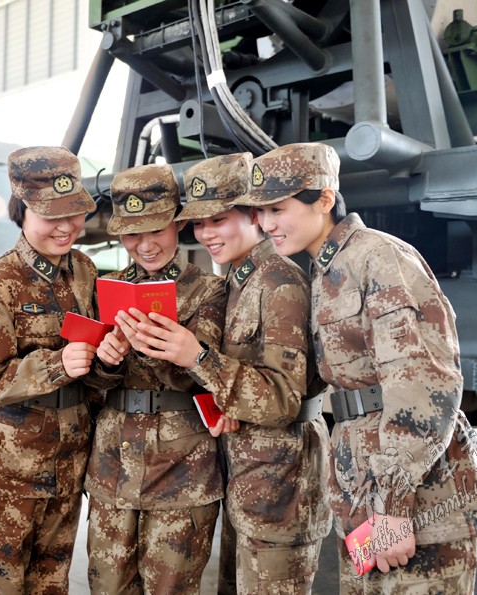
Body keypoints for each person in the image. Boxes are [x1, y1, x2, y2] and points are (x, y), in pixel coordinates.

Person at [248, 142, 477, 593]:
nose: (266, 224)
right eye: (261, 212)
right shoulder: (326, 269)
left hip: (416, 501)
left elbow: (421, 383)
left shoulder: (378, 258)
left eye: (278, 209)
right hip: (362, 491)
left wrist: (392, 507)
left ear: (324, 199)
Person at [126, 154, 332, 593]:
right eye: (199, 224)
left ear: (253, 215)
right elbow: (247, 380)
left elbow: (282, 400)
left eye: (218, 220)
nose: (206, 234)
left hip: (283, 490)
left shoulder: (279, 282)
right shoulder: (241, 280)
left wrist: (197, 357)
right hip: (249, 482)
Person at [0, 146, 100, 593]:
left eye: (74, 213)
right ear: (21, 211)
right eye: (51, 215)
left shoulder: (84, 270)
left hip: (66, 471)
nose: (66, 226)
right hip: (7, 478)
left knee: (52, 585)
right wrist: (59, 364)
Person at [85, 162, 227, 593]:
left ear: (178, 223)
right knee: (108, 587)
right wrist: (106, 362)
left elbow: (212, 380)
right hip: (112, 467)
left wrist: (162, 350)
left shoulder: (209, 290)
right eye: (131, 234)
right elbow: (91, 386)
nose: (145, 246)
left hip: (182, 470)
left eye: (156, 230)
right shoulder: (105, 288)